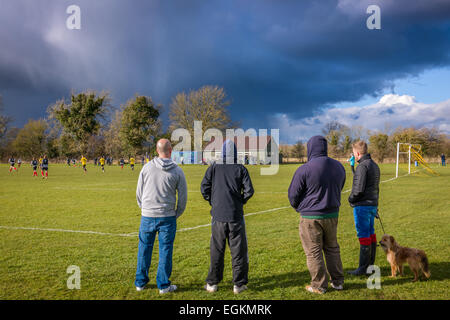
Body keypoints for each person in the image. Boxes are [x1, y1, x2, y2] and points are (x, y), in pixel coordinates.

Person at [288, 135, 346, 294]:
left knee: (313, 251)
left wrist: (301, 207)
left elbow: (293, 195)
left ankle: (319, 285)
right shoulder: (339, 167)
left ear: (310, 148)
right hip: (332, 214)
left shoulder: (305, 169)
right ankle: (338, 282)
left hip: (310, 217)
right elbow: (340, 186)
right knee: (332, 248)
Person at [201, 140, 254, 294]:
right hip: (235, 216)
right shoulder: (240, 169)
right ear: (235, 153)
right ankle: (238, 284)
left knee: (216, 250)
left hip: (218, 216)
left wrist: (213, 202)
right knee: (238, 251)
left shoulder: (214, 168)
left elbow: (204, 188)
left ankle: (212, 283)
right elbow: (249, 191)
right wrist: (240, 201)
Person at [135, 139, 188, 294]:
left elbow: (139, 193)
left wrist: (145, 209)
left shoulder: (146, 167)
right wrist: (176, 213)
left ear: (157, 151)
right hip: (167, 217)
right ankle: (163, 286)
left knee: (144, 248)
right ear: (171, 150)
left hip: (148, 216)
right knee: (165, 250)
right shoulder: (177, 171)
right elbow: (183, 198)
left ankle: (140, 283)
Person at [347, 140, 380, 276]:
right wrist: (353, 167)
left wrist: (350, 199)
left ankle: (362, 268)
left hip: (363, 207)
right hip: (372, 205)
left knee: (364, 236)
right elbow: (365, 182)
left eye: (354, 153)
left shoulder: (363, 166)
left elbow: (358, 189)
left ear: (358, 153)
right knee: (371, 234)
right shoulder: (373, 164)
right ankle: (370, 266)